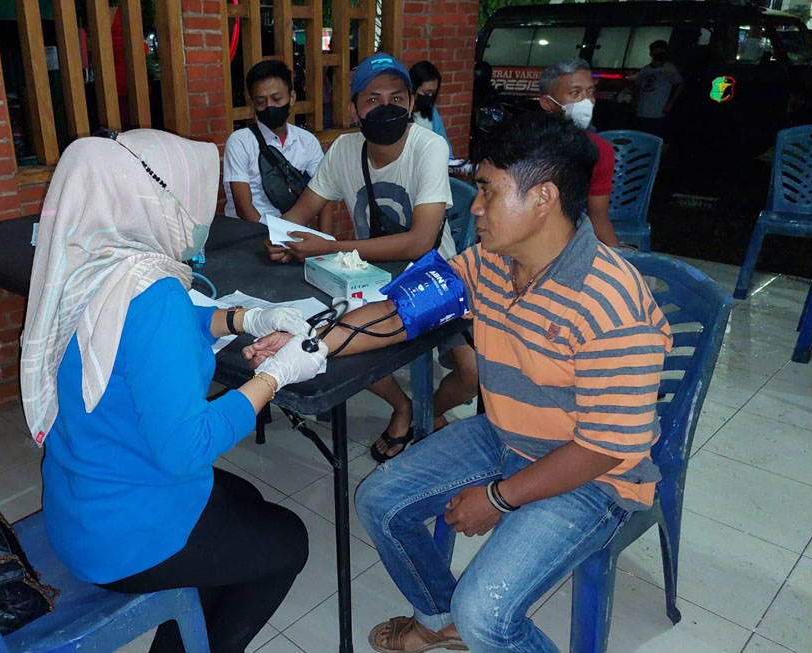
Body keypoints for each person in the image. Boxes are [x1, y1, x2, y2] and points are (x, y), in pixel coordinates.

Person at [244, 112, 673, 652]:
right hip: (506, 434)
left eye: (489, 191)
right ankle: (438, 617)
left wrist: (500, 497)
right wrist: (309, 344)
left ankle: (465, 622)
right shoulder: (490, 261)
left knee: (485, 614)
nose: (474, 207)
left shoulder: (612, 303)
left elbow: (605, 448)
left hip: (594, 476)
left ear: (543, 197)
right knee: (380, 499)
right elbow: (399, 312)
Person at [20, 130, 328, 653]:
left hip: (82, 502)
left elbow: (152, 332)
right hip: (121, 542)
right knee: (287, 541)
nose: (202, 218)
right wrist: (275, 377)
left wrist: (244, 318)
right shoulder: (153, 294)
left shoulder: (90, 265)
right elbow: (188, 447)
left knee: (244, 500)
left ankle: (187, 629)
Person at [264, 52, 477, 462]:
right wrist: (276, 237)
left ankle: (430, 412)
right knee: (343, 345)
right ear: (354, 109)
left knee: (472, 373)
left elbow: (420, 243)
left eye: (397, 98)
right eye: (373, 99)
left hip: (434, 277)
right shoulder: (345, 150)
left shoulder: (428, 146)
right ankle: (404, 408)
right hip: (369, 277)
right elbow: (301, 213)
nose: (386, 108)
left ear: (411, 103)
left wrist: (329, 247)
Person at [223, 60, 332, 229]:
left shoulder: (307, 141)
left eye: (277, 99)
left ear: (292, 97)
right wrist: (272, 237)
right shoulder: (240, 142)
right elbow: (243, 208)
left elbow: (324, 193)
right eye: (261, 102)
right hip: (251, 233)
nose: (269, 106)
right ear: (253, 104)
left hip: (295, 232)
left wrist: (327, 240)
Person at [538, 58, 619, 247]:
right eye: (575, 93)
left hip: (570, 244)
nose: (586, 101)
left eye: (590, 93)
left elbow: (598, 218)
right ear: (548, 103)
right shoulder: (526, 143)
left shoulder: (599, 150)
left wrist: (619, 260)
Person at [632, 40, 684, 139]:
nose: (658, 54)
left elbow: (680, 84)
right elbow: (637, 85)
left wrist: (670, 104)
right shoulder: (645, 69)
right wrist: (634, 102)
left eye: (661, 52)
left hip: (657, 112)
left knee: (654, 138)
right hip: (641, 110)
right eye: (656, 51)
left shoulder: (669, 69)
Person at [409, 60, 454, 158]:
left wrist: (451, 162)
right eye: (426, 93)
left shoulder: (432, 112)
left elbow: (444, 143)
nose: (429, 96)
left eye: (433, 93)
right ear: (413, 89)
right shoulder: (402, 114)